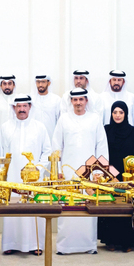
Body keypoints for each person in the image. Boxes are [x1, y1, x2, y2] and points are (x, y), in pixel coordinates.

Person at [52, 88, 108, 254]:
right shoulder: (64, 119)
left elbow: (101, 146)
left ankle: (88, 245)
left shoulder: (95, 119)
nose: (78, 103)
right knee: (67, 207)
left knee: (88, 206)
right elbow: (56, 146)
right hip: (67, 172)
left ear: (86, 101)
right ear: (71, 101)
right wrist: (57, 170)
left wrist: (99, 172)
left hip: (90, 173)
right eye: (75, 100)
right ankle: (65, 246)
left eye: (81, 100)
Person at [0, 95, 51, 255]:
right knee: (12, 208)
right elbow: (1, 153)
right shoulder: (5, 127)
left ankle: (36, 244)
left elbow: (47, 151)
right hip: (12, 175)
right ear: (14, 108)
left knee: (33, 208)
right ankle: (10, 243)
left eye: (24, 106)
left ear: (30, 107)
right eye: (18, 106)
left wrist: (37, 169)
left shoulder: (39, 127)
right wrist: (2, 175)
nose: (21, 109)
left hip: (34, 178)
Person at [98, 101, 134, 252]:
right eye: (115, 112)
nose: (117, 115)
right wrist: (109, 174)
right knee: (110, 206)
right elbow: (101, 153)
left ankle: (128, 242)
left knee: (127, 207)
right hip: (109, 177)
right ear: (111, 114)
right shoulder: (105, 131)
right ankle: (110, 240)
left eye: (121, 112)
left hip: (128, 178)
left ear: (126, 114)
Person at [30, 74, 60, 144]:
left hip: (51, 138)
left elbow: (59, 121)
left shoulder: (56, 99)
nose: (40, 85)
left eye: (43, 82)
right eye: (38, 82)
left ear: (49, 83)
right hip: (33, 138)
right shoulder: (30, 100)